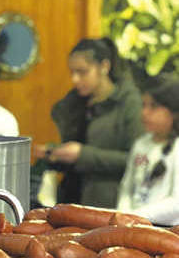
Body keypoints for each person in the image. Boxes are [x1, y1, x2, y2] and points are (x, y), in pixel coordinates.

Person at [34, 38, 143, 207]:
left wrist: (82, 155)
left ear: (104, 67)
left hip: (109, 203)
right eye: (72, 72)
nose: (75, 79)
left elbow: (136, 160)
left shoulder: (129, 103)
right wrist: (55, 153)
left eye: (82, 72)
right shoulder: (74, 104)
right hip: (71, 198)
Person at [116, 77, 179, 224]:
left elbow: (177, 203)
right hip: (132, 223)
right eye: (143, 105)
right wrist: (123, 213)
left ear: (175, 112)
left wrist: (134, 216)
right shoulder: (141, 144)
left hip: (164, 228)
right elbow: (126, 188)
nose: (144, 112)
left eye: (154, 106)